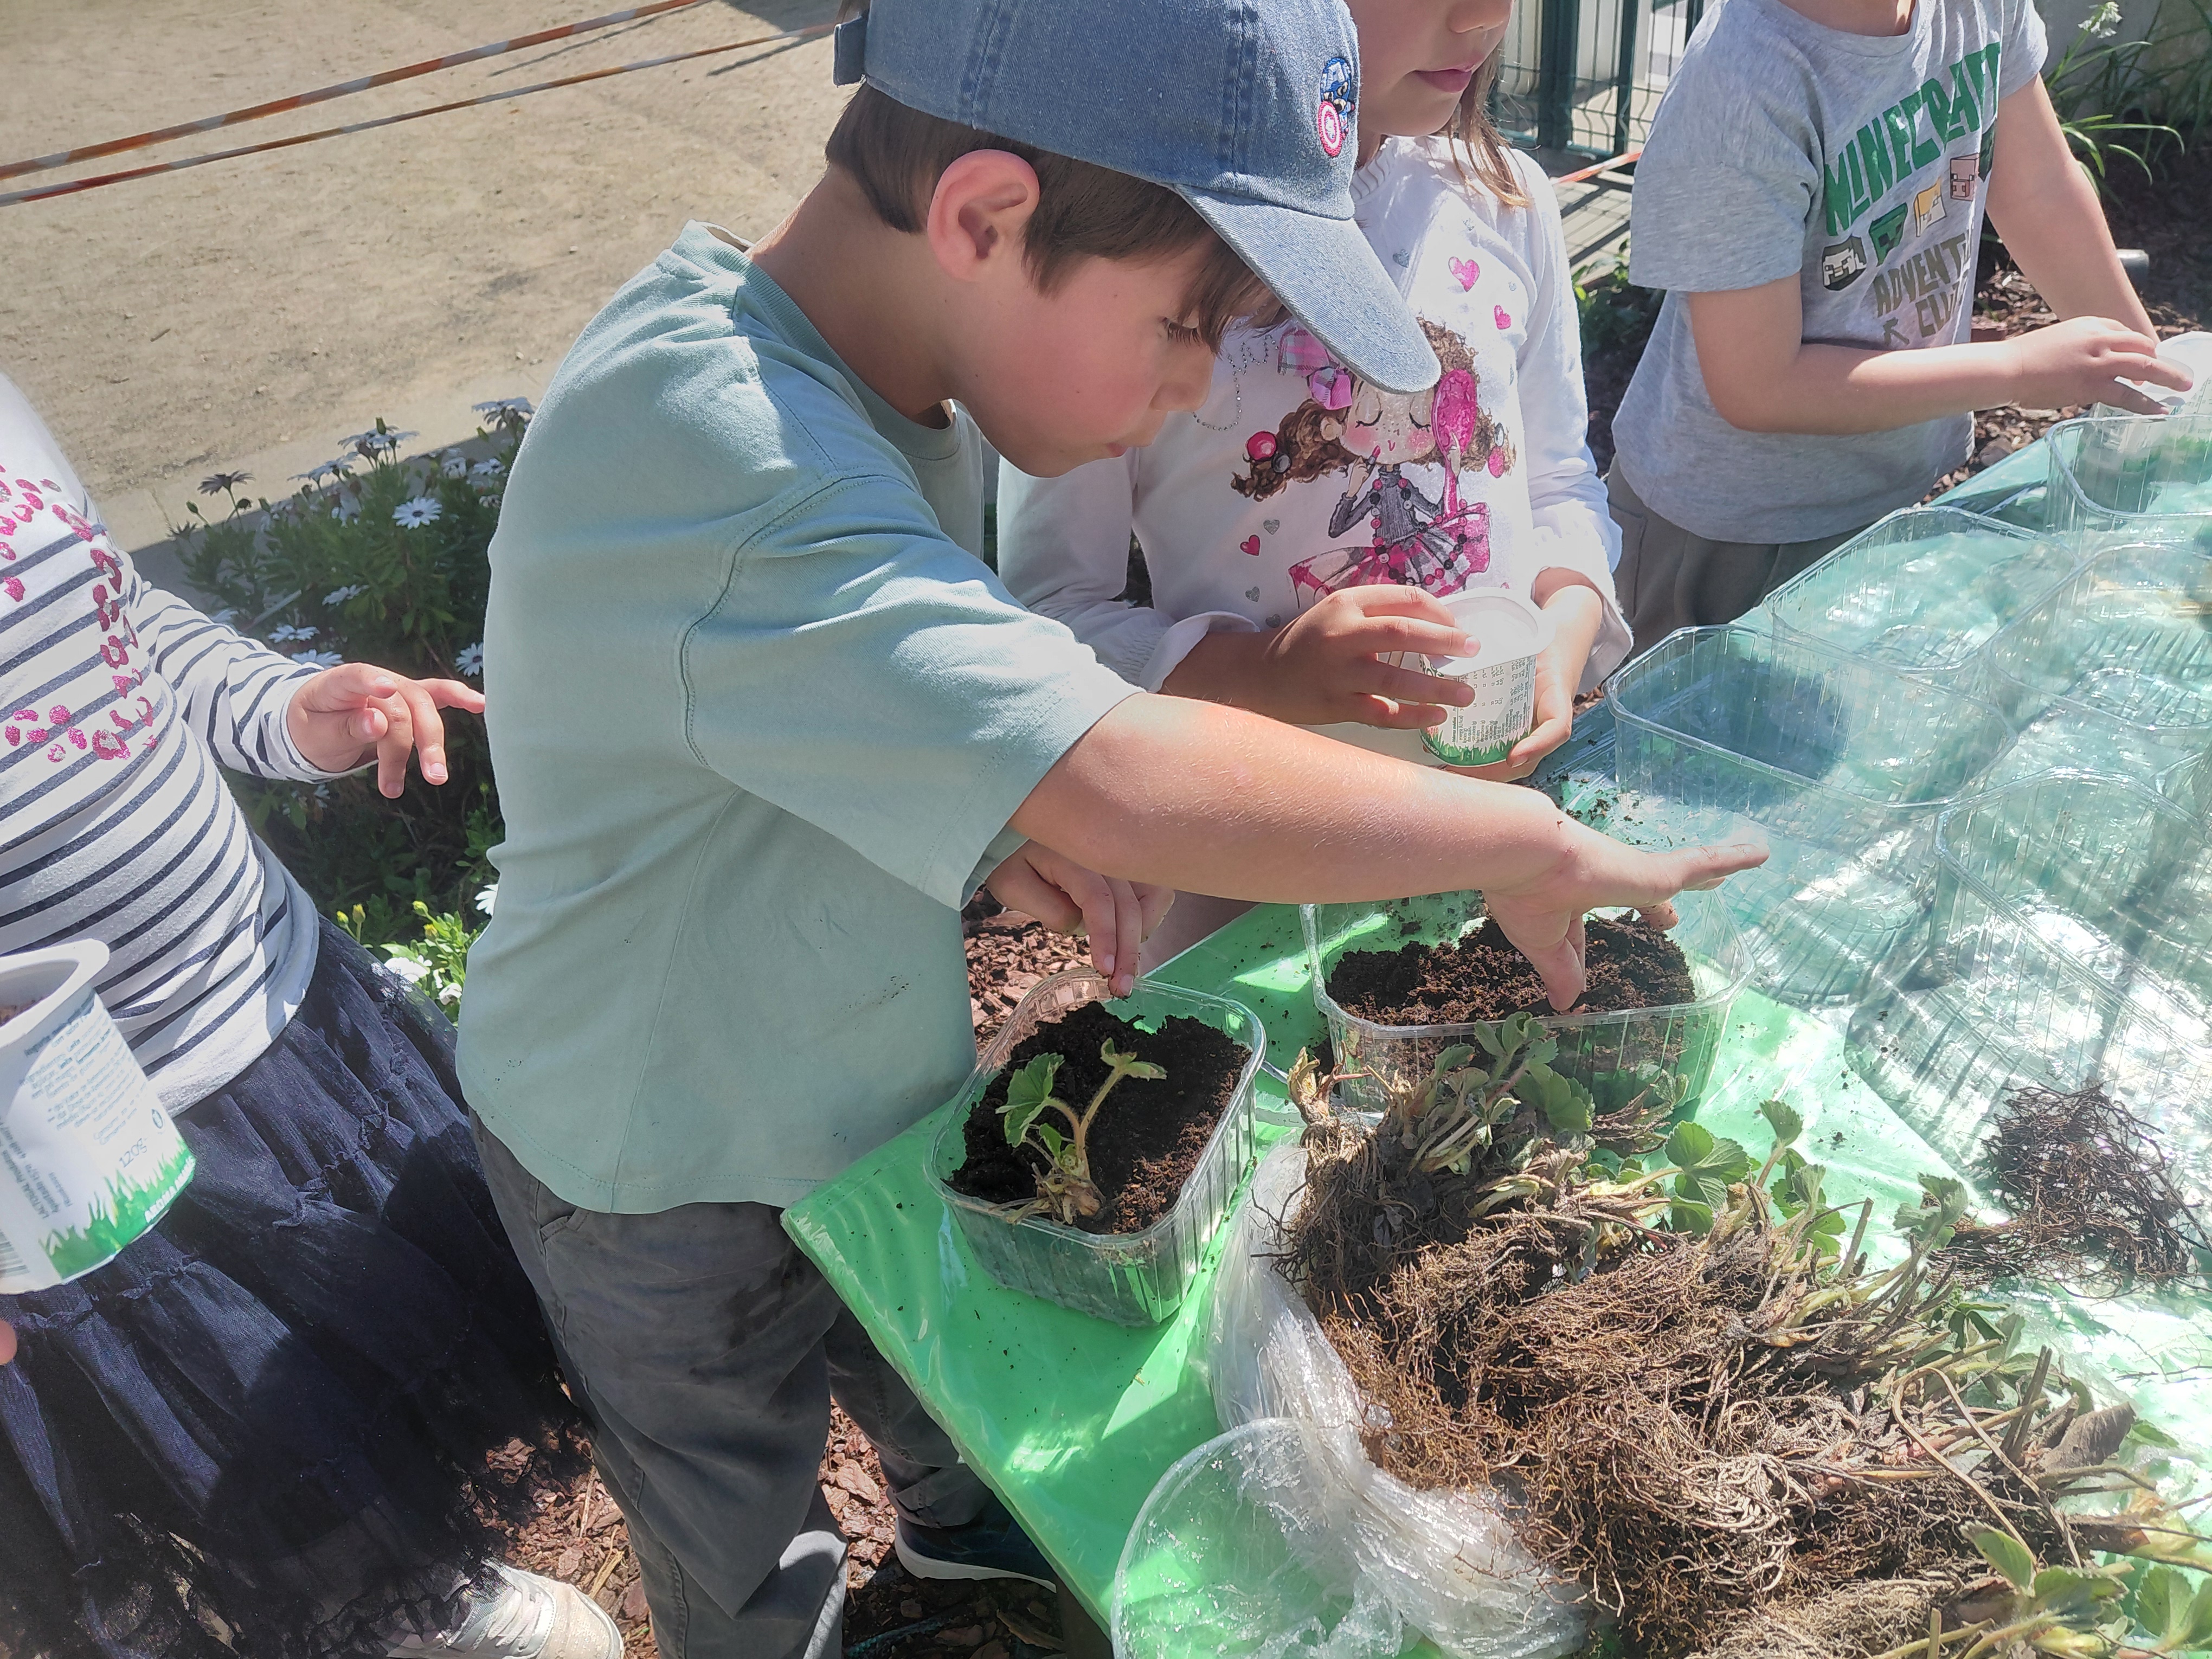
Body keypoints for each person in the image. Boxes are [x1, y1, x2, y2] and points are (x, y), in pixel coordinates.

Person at [455, 0, 1766, 1654]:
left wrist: (996, 830)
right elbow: (1125, 768)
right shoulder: (740, 459)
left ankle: (946, 1543)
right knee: (728, 1487)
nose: (1199, 382)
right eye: (1187, 320)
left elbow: (809, 718)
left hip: (845, 1057)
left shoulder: (866, 369)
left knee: (916, 1363)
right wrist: (1514, 844)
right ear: (986, 218)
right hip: (648, 1144)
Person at [0, 374, 616, 1659]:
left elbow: (116, 615)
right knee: (258, 1456)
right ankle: (391, 1611)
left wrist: (282, 712)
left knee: (385, 1358)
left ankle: (421, 1572)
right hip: (85, 1156)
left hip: (274, 1002)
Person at [998, 0, 1629, 961]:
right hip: (1249, 879)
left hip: (1492, 841)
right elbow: (1051, 612)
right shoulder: (1137, 243)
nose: (1491, 13)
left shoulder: (1510, 201)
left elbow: (1557, 485)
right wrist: (1267, 672)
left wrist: (1564, 630)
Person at [1606, 0, 2192, 649]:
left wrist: (2161, 390)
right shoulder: (1738, 84)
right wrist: (2020, 370)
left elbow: (2042, 190)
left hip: (1890, 487)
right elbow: (1759, 387)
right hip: (1732, 533)